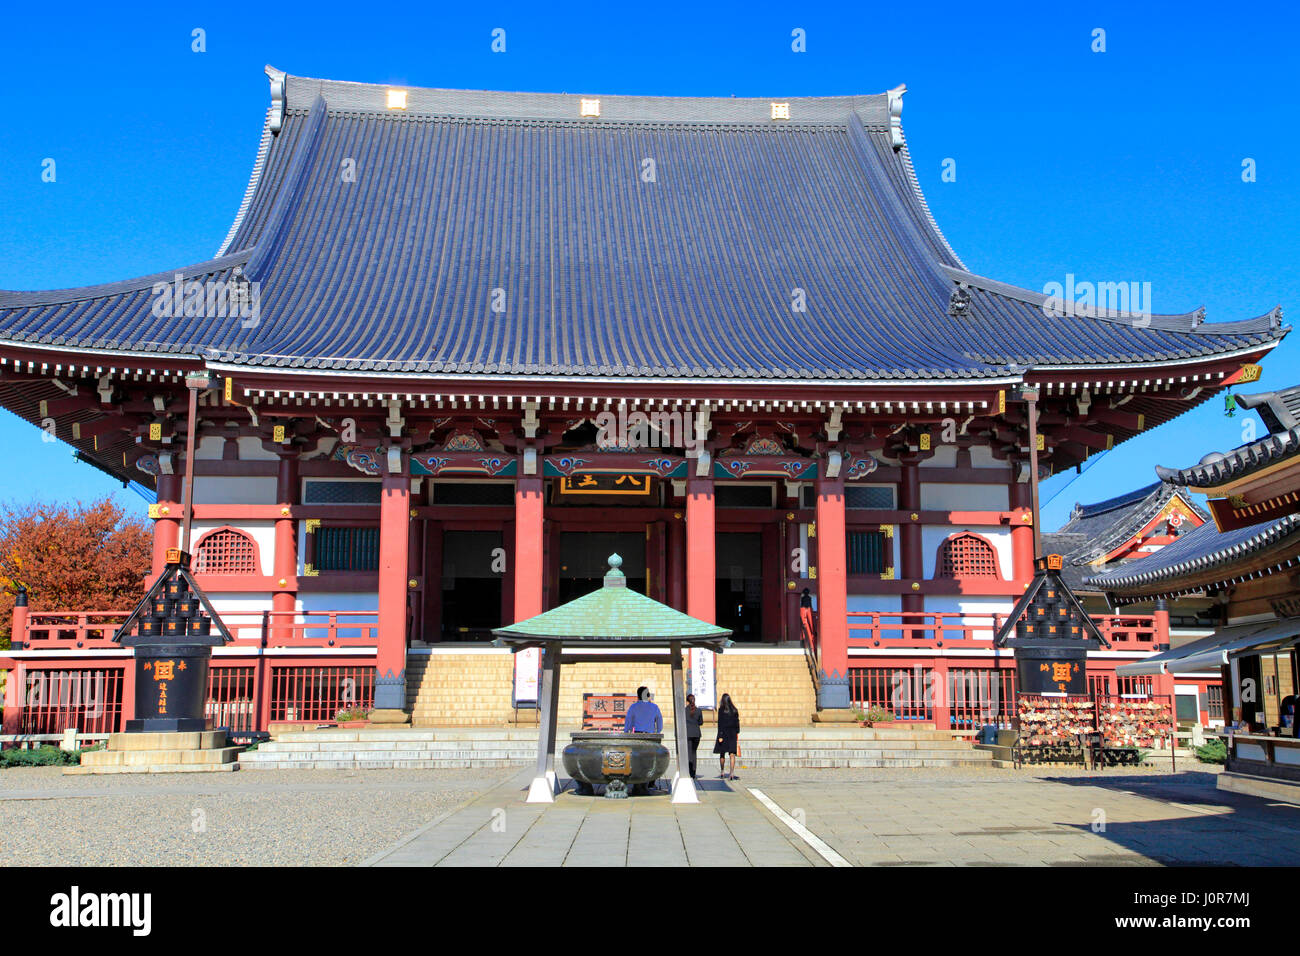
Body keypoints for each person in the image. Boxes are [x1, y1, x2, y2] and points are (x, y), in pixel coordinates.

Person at [624, 686, 663, 792]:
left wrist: (626, 731)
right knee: (651, 761)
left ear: (638, 696)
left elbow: (628, 721)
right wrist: (657, 731)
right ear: (648, 695)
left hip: (637, 736)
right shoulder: (654, 707)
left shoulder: (633, 707)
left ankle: (638, 783)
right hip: (650, 736)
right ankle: (650, 783)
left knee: (637, 760)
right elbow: (659, 720)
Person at [714, 693, 740, 780]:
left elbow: (720, 724)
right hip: (732, 734)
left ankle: (722, 771)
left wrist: (720, 735)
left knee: (722, 753)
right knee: (732, 754)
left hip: (723, 734)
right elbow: (737, 723)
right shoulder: (735, 710)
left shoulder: (721, 710)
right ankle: (731, 773)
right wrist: (737, 731)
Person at [684, 693, 704, 778]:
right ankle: (694, 772)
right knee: (694, 752)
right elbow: (701, 722)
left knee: (689, 753)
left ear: (687, 701)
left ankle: (689, 770)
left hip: (688, 733)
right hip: (696, 733)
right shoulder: (698, 710)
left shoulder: (684, 710)